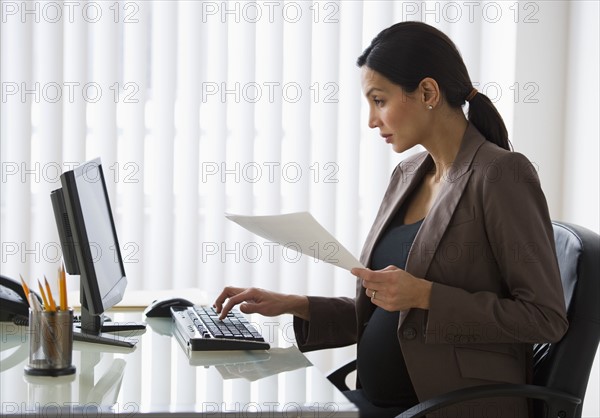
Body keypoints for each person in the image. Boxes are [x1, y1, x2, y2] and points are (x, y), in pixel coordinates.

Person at [214, 21, 568, 418]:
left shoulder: (501, 175)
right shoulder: (408, 173)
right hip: (382, 401)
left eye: (379, 100)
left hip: (450, 406)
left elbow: (545, 319)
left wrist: (426, 296)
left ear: (428, 92)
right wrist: (294, 304)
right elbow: (390, 309)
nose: (371, 120)